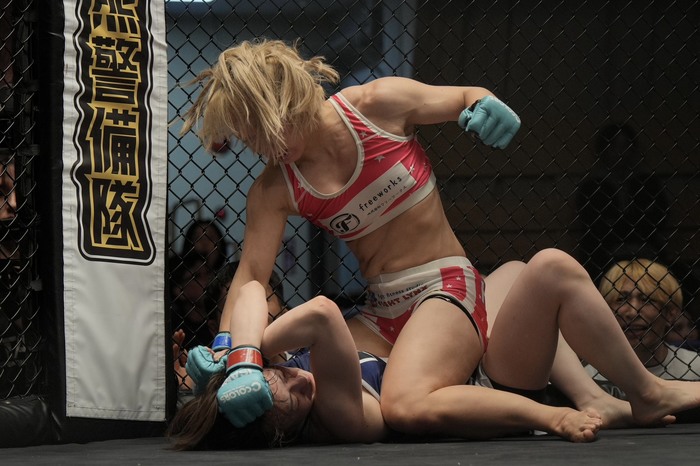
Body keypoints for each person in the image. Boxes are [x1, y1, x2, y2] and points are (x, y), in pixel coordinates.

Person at [179, 39, 700, 441]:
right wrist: (232, 353)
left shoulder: (376, 104)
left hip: (444, 288)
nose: (260, 147)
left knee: (405, 399)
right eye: (248, 138)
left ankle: (644, 391)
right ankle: (583, 397)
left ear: (284, 98)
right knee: (298, 365)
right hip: (380, 314)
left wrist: (483, 105)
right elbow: (251, 277)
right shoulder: (275, 187)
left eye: (260, 128)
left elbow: (464, 97)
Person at [576, 124, 669, 283]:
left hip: (644, 249)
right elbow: (595, 226)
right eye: (614, 146)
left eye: (626, 145)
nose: (620, 152)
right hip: (604, 254)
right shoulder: (592, 187)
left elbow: (658, 218)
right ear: (603, 150)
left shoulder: (647, 183)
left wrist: (624, 227)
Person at [585, 258, 700, 383]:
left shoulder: (695, 368)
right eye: (621, 299)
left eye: (647, 299)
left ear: (670, 314)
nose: (633, 312)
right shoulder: (591, 376)